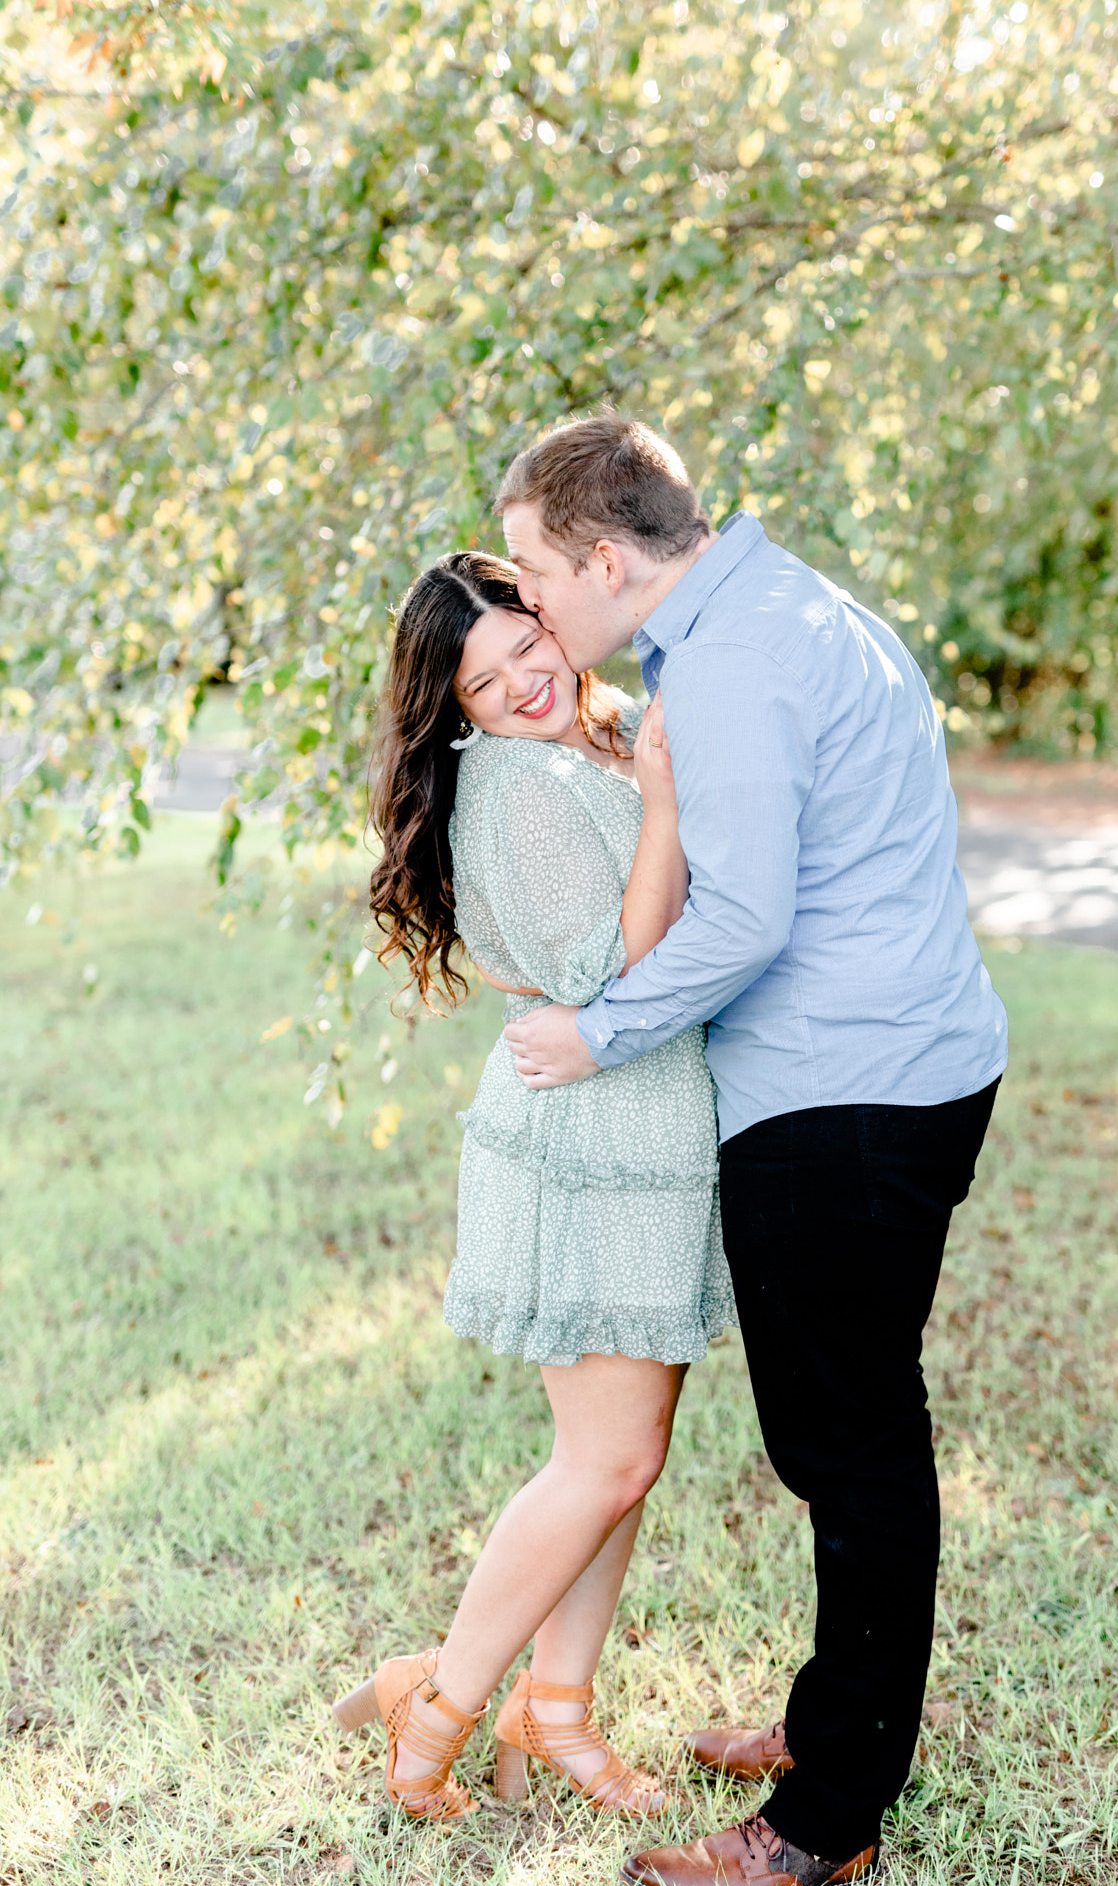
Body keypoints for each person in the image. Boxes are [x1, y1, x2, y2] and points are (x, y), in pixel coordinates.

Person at [497, 415, 1009, 1886]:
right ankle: (831, 1722)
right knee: (844, 1434)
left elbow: (743, 921)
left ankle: (821, 1824)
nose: (531, 602)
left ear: (606, 556)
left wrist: (593, 1033)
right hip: (907, 1064)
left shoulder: (729, 664)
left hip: (842, 1098)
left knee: (846, 1447)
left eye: (536, 571)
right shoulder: (786, 606)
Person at [333, 550, 734, 1826]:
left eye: (526, 642)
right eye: (483, 676)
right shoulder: (512, 787)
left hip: (644, 1126)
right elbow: (615, 962)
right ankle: (439, 1701)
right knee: (604, 1459)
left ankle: (555, 1710)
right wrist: (665, 801)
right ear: (454, 704)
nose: (522, 680)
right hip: (588, 1137)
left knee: (629, 1454)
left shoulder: (584, 744)